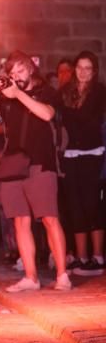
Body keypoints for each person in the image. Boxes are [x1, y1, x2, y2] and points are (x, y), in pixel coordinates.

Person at [0, 51, 71, 293]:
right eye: (11, 73)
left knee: (50, 218)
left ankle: (63, 275)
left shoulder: (46, 92)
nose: (16, 76)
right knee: (21, 221)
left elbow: (47, 114)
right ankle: (31, 277)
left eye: (20, 70)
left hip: (41, 162)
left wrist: (18, 94)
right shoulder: (7, 97)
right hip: (13, 164)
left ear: (31, 69)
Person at [60, 51, 105, 276]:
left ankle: (97, 256)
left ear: (94, 70)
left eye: (88, 68)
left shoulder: (100, 92)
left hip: (92, 152)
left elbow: (89, 119)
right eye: (80, 68)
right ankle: (81, 256)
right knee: (74, 204)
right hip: (71, 154)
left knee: (91, 203)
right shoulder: (66, 92)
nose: (83, 72)